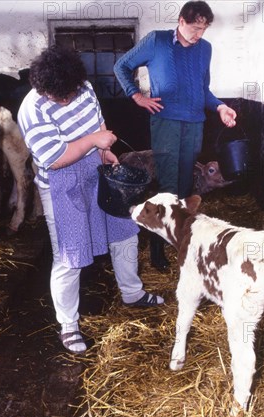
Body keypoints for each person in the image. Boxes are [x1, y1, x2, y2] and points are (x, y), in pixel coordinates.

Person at [18, 45, 164, 354]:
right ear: (43, 88)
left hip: (96, 171)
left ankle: (132, 293)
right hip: (62, 184)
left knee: (125, 234)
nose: (67, 100)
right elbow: (55, 159)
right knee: (69, 257)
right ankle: (68, 326)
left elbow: (97, 123)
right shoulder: (32, 109)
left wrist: (104, 150)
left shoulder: (82, 88)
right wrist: (93, 141)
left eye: (70, 93)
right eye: (60, 97)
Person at [114, 0, 237, 271]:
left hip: (194, 124)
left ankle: (182, 242)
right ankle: (157, 248)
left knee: (185, 189)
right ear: (181, 21)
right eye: (194, 28)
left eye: (203, 29)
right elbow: (121, 66)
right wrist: (136, 96)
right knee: (167, 189)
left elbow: (203, 90)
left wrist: (220, 106)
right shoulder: (156, 41)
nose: (198, 35)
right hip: (167, 123)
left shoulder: (205, 49)